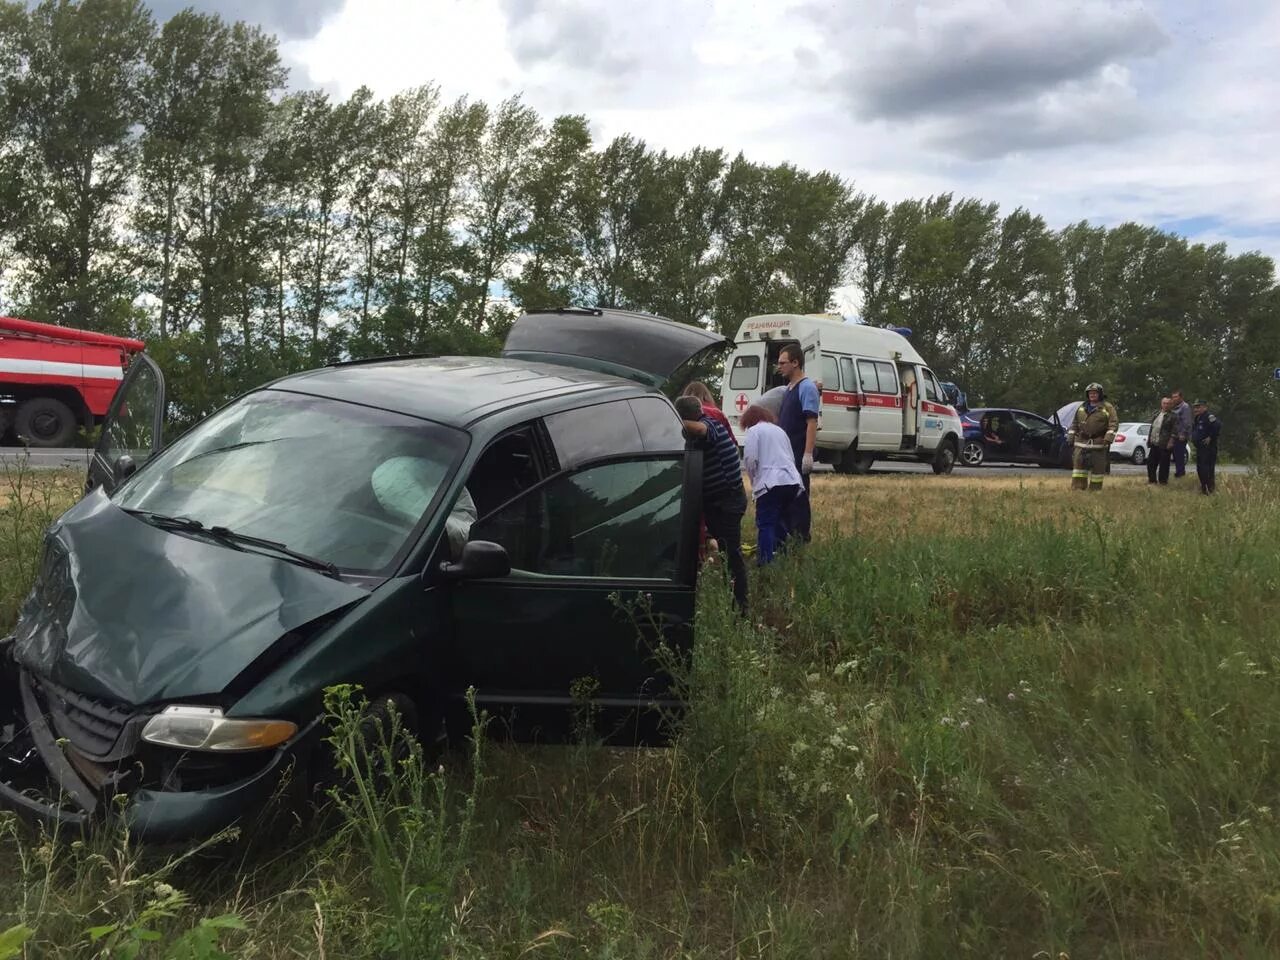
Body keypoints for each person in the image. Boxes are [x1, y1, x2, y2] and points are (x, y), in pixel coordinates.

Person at [675, 395, 748, 612]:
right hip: (720, 502)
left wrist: (669, 418)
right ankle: (736, 604)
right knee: (727, 554)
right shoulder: (703, 429)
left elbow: (700, 430)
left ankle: (740, 609)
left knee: (731, 556)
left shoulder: (710, 425)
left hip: (726, 502)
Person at [739, 403, 804, 564]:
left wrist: (755, 480)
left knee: (766, 522)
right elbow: (791, 457)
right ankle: (781, 553)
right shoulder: (780, 431)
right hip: (791, 481)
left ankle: (766, 560)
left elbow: (750, 459)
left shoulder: (755, 431)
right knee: (780, 519)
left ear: (749, 421)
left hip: (769, 483)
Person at [776, 343, 820, 542]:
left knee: (799, 497)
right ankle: (787, 535)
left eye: (783, 363)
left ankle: (801, 537)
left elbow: (811, 422)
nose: (780, 367)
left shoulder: (807, 387)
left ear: (795, 363)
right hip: (786, 453)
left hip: (798, 452)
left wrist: (807, 454)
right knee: (787, 495)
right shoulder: (789, 388)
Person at [1066, 381, 1118, 491]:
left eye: (1094, 393)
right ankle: (1078, 488)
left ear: (1100, 394)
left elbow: (1113, 424)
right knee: (1079, 469)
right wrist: (1071, 435)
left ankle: (1095, 490)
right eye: (1090, 393)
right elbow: (1075, 423)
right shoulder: (1081, 407)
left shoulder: (1107, 407)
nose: (1092, 395)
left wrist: (1108, 438)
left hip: (1098, 443)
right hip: (1081, 442)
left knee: (1097, 470)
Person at [1190, 399, 1221, 495]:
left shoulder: (1209, 416)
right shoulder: (1198, 418)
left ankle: (1209, 489)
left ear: (1205, 407)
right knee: (1200, 469)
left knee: (1207, 469)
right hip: (1200, 448)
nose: (1196, 409)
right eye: (1195, 407)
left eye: (1198, 407)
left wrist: (1211, 437)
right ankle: (1204, 487)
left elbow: (1218, 425)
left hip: (1208, 449)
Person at [1147, 397, 1176, 485]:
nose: (1166, 405)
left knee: (1164, 465)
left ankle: (1163, 482)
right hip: (1154, 443)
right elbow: (1152, 427)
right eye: (1164, 403)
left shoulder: (1173, 416)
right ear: (1161, 404)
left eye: (1168, 403)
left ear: (1171, 405)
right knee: (1151, 463)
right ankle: (1152, 481)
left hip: (1165, 444)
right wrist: (1149, 440)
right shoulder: (1156, 414)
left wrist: (1171, 442)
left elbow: (1175, 431)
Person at [1170, 389, 1193, 478]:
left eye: (1176, 397)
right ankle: (1178, 471)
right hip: (1175, 435)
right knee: (1176, 454)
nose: (1174, 399)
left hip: (1181, 435)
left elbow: (1186, 422)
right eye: (1173, 397)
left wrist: (1183, 434)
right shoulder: (1175, 407)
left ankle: (1180, 473)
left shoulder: (1185, 407)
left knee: (1179, 454)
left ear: (1181, 397)